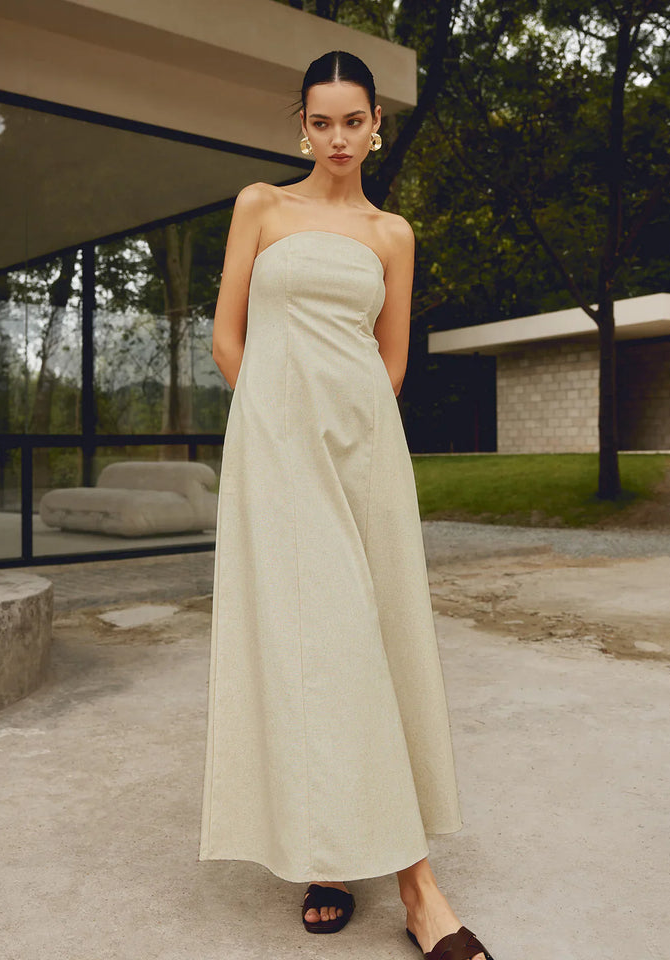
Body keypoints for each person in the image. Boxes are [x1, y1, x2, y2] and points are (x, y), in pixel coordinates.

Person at [198, 49, 494, 960]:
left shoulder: (393, 234)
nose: (336, 136)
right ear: (303, 124)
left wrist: (347, 425)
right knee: (311, 644)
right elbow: (226, 336)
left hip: (363, 452)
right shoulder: (260, 206)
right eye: (320, 120)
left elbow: (390, 362)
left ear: (375, 126)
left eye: (352, 121)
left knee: (370, 638)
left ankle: (341, 856)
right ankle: (417, 890)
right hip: (279, 455)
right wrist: (275, 430)